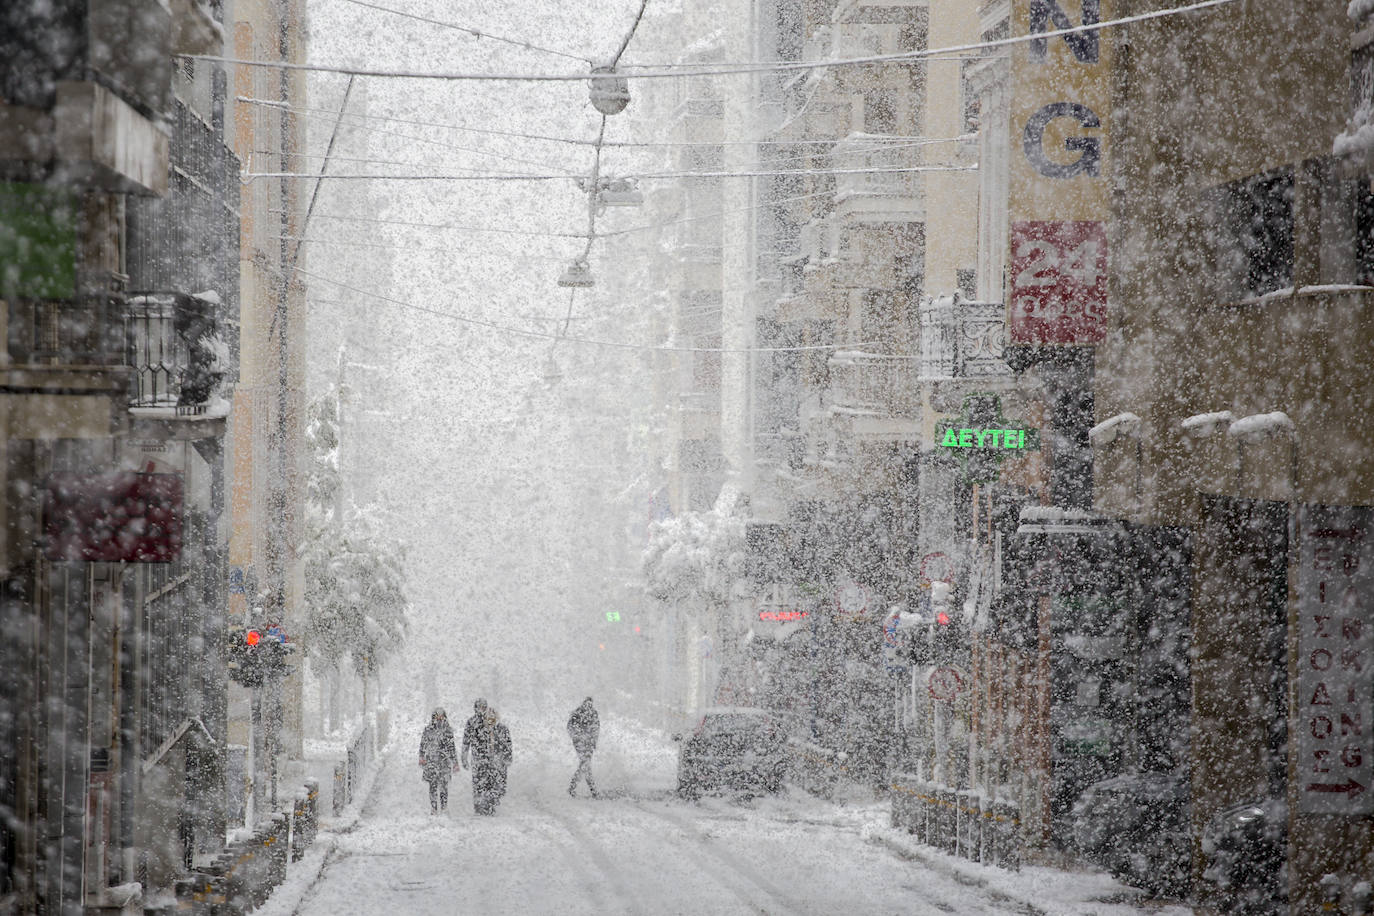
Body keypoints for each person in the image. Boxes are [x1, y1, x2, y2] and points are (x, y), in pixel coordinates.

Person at [463, 705, 512, 815]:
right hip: (483, 763)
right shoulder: (480, 730)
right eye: (488, 718)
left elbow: (507, 745)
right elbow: (475, 745)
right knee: (483, 785)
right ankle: (482, 807)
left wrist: (506, 758)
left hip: (498, 763)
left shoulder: (503, 729)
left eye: (493, 718)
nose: (490, 720)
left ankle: (491, 806)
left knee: (497, 786)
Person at [417, 708, 457, 814]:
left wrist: (455, 762)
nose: (439, 719)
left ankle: (444, 807)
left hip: (444, 761)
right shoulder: (428, 730)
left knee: (444, 786)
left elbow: (452, 748)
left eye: (441, 716)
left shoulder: (448, 730)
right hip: (431, 760)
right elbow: (423, 744)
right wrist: (421, 757)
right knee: (433, 785)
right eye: (437, 716)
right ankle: (434, 808)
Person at [566, 697, 600, 798]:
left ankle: (575, 788)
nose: (588, 706)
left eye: (590, 704)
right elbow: (570, 727)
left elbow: (596, 728)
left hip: (588, 743)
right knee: (585, 764)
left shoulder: (593, 713)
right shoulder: (577, 713)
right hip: (580, 742)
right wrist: (577, 738)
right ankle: (591, 790)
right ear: (584, 703)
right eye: (587, 704)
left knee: (585, 765)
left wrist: (594, 741)